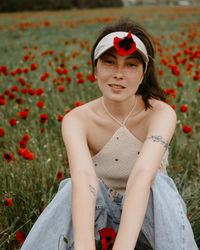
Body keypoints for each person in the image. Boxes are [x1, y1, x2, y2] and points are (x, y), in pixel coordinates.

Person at [21, 17, 198, 250]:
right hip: (97, 213)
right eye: (109, 62)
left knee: (159, 184)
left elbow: (141, 177)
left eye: (131, 65)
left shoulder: (160, 113)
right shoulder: (77, 119)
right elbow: (85, 180)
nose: (118, 74)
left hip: (147, 217)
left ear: (144, 73)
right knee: (72, 186)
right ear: (95, 69)